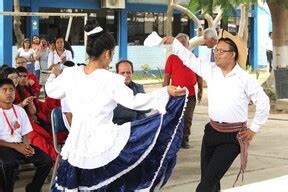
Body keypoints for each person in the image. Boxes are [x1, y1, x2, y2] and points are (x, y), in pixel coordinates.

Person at [46, 19, 186, 191]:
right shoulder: (110, 80)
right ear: (107, 53)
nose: (111, 58)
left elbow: (51, 90)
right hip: (101, 144)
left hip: (75, 145)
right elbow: (135, 101)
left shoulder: (71, 74)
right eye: (112, 54)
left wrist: (53, 75)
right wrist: (164, 92)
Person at [162, 29, 270, 192]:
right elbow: (189, 59)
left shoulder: (244, 78)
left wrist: (254, 129)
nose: (217, 54)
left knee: (205, 185)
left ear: (232, 55)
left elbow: (263, 103)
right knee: (210, 180)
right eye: (216, 50)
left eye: (221, 51)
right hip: (211, 132)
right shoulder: (211, 70)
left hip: (232, 137)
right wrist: (175, 43)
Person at [0, 78, 53, 192]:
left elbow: (26, 133)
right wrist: (17, 147)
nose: (9, 93)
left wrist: (27, 145)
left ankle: (33, 188)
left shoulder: (19, 110)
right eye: (4, 90)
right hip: (4, 146)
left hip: (21, 144)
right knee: (8, 164)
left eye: (11, 90)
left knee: (46, 160)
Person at [163, 33, 203, 149]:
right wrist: (164, 93)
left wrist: (200, 90)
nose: (182, 45)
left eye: (184, 43)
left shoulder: (194, 59)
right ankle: (174, 138)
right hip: (175, 95)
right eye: (180, 43)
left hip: (190, 95)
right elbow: (167, 78)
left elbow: (199, 76)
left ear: (188, 44)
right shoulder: (172, 59)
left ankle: (184, 139)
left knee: (187, 118)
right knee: (175, 117)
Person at [112, 59, 148, 125]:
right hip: (121, 127)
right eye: (122, 73)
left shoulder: (139, 87)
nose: (126, 75)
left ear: (132, 73)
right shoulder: (112, 89)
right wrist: (136, 108)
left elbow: (147, 108)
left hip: (140, 126)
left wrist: (128, 108)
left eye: (128, 72)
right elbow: (116, 112)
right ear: (117, 74)